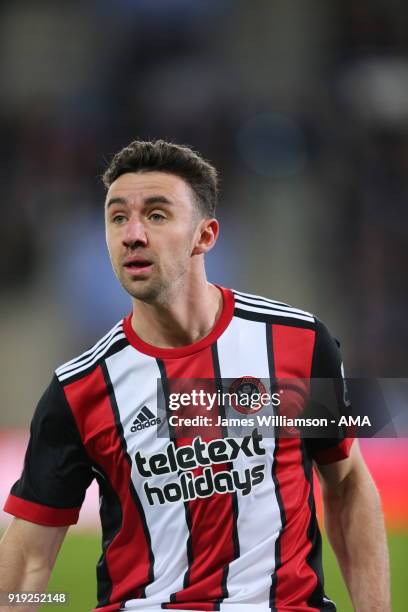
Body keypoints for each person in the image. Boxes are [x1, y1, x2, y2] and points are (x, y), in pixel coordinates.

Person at [0, 140, 390, 612]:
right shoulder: (78, 389)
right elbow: (27, 565)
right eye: (118, 217)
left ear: (205, 236)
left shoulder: (300, 342)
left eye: (157, 215)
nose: (133, 234)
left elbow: (346, 482)